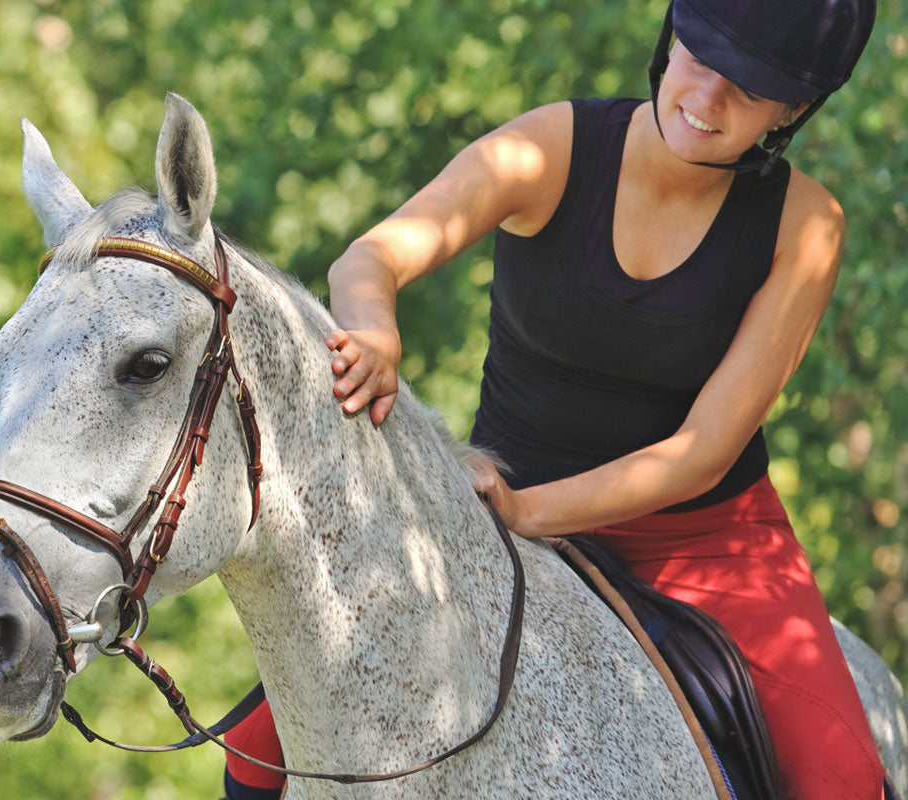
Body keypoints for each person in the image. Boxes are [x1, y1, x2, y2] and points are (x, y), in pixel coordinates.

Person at [224, 0, 885, 798]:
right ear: (670, 40)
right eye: (700, 59)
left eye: (748, 89)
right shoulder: (552, 149)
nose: (707, 100)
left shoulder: (805, 225)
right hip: (497, 497)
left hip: (702, 539)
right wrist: (375, 331)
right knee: (255, 750)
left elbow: (704, 448)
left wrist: (531, 512)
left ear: (795, 110)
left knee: (844, 776)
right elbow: (371, 258)